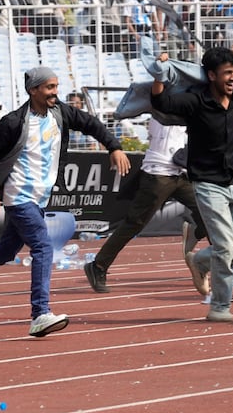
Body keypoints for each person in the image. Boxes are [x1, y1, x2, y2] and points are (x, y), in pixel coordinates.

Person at [0, 66, 130, 337]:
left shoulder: (60, 112)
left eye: (56, 87)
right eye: (49, 88)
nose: (55, 92)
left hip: (40, 197)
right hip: (19, 196)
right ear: (33, 90)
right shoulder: (14, 122)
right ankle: (40, 313)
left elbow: (90, 123)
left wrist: (114, 146)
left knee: (6, 251)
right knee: (42, 245)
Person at [150, 46, 233, 323]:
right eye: (226, 73)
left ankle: (200, 260)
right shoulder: (196, 101)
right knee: (226, 245)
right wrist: (160, 73)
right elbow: (162, 103)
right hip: (208, 183)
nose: (232, 78)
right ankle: (219, 306)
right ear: (210, 75)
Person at [84, 112, 209, 295]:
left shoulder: (190, 100)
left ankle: (198, 241)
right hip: (158, 173)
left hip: (182, 173)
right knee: (135, 223)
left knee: (210, 213)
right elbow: (157, 89)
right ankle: (98, 266)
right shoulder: (161, 103)